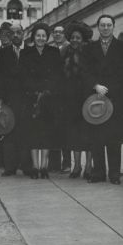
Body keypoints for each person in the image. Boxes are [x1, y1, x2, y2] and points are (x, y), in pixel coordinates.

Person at [82, 15, 123, 185]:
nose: (105, 28)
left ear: (113, 27)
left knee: (114, 138)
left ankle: (114, 174)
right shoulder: (89, 48)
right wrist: (95, 85)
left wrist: (109, 88)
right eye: (102, 25)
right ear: (98, 27)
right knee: (96, 137)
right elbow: (84, 71)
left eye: (109, 25)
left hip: (115, 99)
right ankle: (98, 173)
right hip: (94, 98)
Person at [20, 23, 63, 179]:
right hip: (31, 98)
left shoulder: (54, 52)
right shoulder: (26, 53)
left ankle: (44, 166)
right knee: (33, 132)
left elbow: (58, 75)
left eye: (44, 36)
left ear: (47, 37)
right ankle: (35, 166)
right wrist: (34, 91)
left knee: (46, 133)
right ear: (34, 37)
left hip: (48, 98)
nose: (41, 38)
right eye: (38, 35)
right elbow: (23, 75)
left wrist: (46, 91)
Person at [0, 23, 31, 176]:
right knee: (8, 131)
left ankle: (26, 165)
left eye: (18, 32)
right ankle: (10, 167)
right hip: (9, 98)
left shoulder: (30, 52)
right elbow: (0, 76)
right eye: (13, 33)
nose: (16, 35)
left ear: (23, 34)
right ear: (9, 36)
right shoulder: (3, 53)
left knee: (25, 131)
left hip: (27, 98)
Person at [62, 21, 93, 180]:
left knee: (88, 133)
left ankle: (88, 165)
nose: (75, 40)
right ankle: (76, 165)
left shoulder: (89, 52)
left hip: (86, 97)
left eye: (78, 38)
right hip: (70, 99)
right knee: (73, 134)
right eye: (72, 37)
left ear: (83, 39)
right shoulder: (64, 52)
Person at [48, 24, 71, 172]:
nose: (57, 34)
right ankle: (54, 163)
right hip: (52, 93)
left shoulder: (69, 48)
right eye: (55, 32)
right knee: (53, 128)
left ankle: (67, 162)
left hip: (66, 93)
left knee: (66, 129)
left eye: (60, 32)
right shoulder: (50, 48)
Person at [0, 21, 12, 168]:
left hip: (12, 95)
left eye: (7, 34)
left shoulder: (14, 50)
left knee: (11, 127)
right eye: (1, 34)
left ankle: (10, 160)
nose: (3, 37)